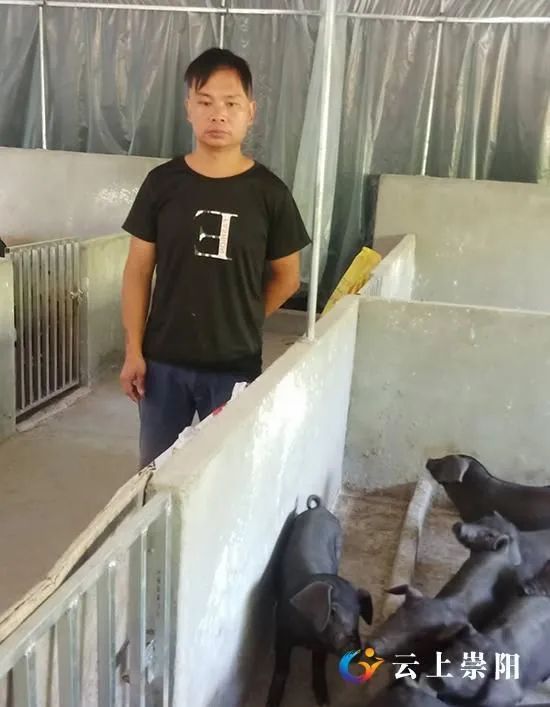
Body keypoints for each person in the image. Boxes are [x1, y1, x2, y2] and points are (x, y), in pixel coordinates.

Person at [120, 47, 311, 468]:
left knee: (225, 472)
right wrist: (134, 349)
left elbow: (288, 277)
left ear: (250, 112)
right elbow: (137, 271)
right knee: (156, 473)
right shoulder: (161, 184)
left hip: (234, 367)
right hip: (162, 363)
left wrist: (245, 316)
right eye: (205, 102)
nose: (218, 115)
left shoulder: (270, 194)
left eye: (231, 104)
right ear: (188, 108)